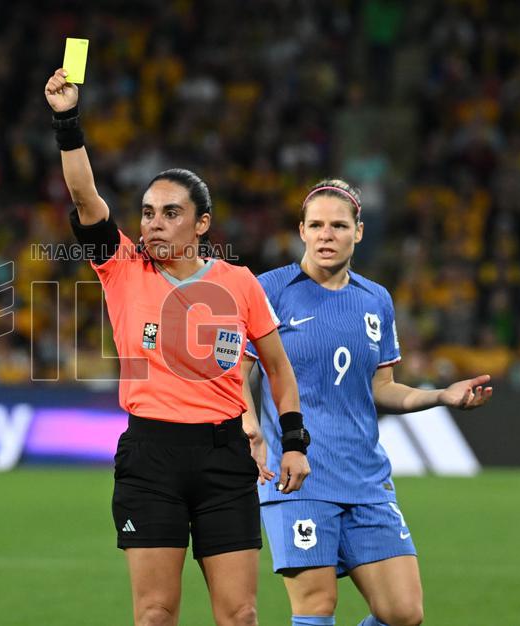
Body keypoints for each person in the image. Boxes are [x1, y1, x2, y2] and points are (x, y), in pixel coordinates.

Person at [45, 67, 310, 626]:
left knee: (239, 615)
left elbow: (280, 372)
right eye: (147, 213)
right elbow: (82, 193)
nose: (155, 224)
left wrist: (293, 442)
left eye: (171, 213)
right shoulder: (120, 267)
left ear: (202, 224)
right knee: (155, 614)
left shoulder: (239, 283)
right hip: (150, 459)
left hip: (224, 459)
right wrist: (67, 119)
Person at [241, 179, 494, 626]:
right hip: (298, 474)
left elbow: (383, 387)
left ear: (358, 232)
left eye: (339, 225)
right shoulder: (269, 290)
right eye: (316, 225)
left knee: (403, 613)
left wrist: (441, 395)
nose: (326, 235)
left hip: (365, 477)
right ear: (301, 230)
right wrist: (251, 425)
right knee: (316, 608)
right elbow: (240, 371)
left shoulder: (376, 299)